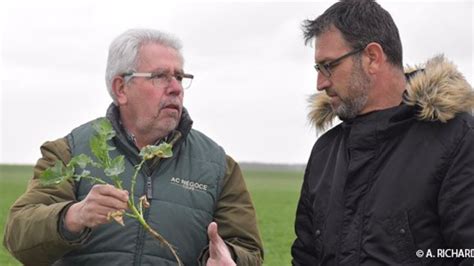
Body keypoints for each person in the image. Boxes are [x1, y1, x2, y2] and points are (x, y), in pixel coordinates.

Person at [3, 28, 263, 266]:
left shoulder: (217, 166)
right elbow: (18, 236)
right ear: (121, 88)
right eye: (160, 76)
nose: (175, 88)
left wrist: (227, 259)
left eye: (180, 77)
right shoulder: (70, 152)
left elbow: (249, 250)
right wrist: (74, 216)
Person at [291, 0, 474, 265]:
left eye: (328, 65)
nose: (320, 83)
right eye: (317, 69)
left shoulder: (457, 141)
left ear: (372, 58)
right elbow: (305, 257)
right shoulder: (325, 152)